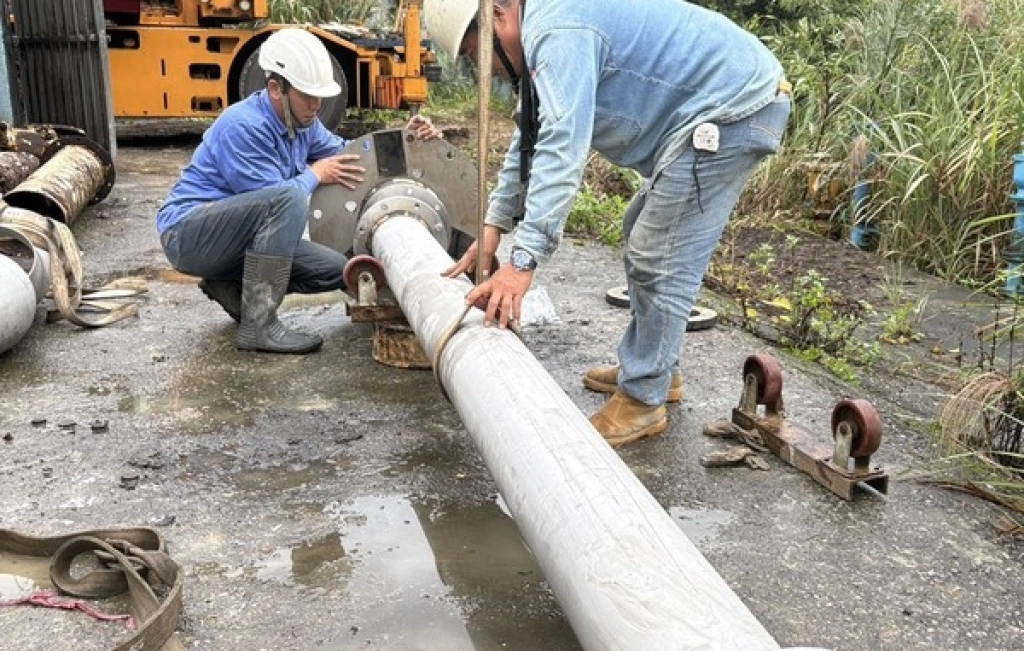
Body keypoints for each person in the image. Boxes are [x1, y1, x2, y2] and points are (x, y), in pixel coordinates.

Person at [426, 0, 791, 446]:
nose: (489, 72)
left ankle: (643, 399)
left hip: (733, 107)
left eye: (473, 55)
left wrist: (522, 263)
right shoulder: (547, 26)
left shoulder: (557, 30)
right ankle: (657, 369)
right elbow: (531, 137)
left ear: (498, 16)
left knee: (659, 254)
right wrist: (491, 231)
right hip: (714, 106)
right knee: (643, 230)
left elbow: (562, 148)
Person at [157, 28, 441, 355]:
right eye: (308, 95)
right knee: (290, 198)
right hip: (189, 235)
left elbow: (351, 156)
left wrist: (404, 139)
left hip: (229, 242)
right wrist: (314, 174)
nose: (317, 105)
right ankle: (259, 326)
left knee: (341, 269)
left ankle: (229, 285)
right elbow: (274, 200)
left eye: (320, 96)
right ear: (276, 88)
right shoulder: (243, 125)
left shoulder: (302, 122)